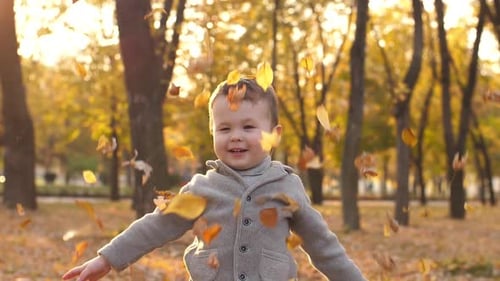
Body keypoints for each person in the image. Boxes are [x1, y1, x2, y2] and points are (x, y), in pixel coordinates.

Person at [62, 77, 366, 281]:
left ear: (275, 134)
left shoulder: (287, 186)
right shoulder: (202, 188)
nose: (235, 137)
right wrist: (106, 260)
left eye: (248, 127)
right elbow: (155, 226)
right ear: (213, 133)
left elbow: (323, 245)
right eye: (224, 129)